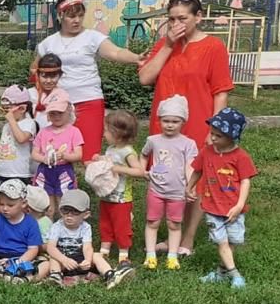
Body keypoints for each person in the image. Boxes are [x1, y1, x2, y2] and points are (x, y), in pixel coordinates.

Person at [139, 0, 235, 256]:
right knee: (164, 175)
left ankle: (187, 239)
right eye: (171, 19)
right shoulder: (164, 44)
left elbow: (221, 92)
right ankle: (166, 233)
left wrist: (215, 129)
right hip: (165, 124)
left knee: (193, 180)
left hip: (197, 122)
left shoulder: (213, 46)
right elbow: (145, 78)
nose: (176, 23)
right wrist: (169, 45)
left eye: (182, 18)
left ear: (198, 17)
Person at [34, 0, 142, 156]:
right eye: (71, 16)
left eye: (80, 15)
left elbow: (116, 53)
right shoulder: (48, 43)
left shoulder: (93, 37)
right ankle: (61, 182)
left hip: (89, 100)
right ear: (60, 15)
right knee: (55, 150)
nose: (76, 20)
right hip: (59, 103)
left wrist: (136, 58)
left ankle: (94, 179)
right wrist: (44, 91)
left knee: (90, 154)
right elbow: (35, 69)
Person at [193, 108, 255, 289]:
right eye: (212, 133)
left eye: (218, 136)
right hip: (212, 206)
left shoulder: (241, 157)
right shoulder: (207, 152)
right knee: (222, 242)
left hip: (233, 208)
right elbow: (198, 170)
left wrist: (239, 205)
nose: (212, 138)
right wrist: (189, 187)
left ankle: (221, 273)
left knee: (232, 241)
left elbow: (245, 181)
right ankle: (235, 275)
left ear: (231, 136)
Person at [141, 95, 199, 270]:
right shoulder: (153, 140)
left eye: (175, 121)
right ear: (159, 120)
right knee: (153, 222)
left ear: (183, 122)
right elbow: (144, 154)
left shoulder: (188, 143)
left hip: (177, 192)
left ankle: (172, 256)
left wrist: (190, 187)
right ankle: (150, 255)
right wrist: (142, 169)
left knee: (174, 223)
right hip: (156, 190)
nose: (170, 125)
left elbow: (190, 167)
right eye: (166, 120)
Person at [38, 189, 127, 288]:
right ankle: (56, 277)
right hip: (63, 262)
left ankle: (109, 275)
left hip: (81, 261)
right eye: (65, 210)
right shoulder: (57, 226)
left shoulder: (85, 227)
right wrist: (64, 260)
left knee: (97, 255)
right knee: (54, 259)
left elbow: (87, 247)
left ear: (85, 214)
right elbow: (51, 248)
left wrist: (88, 261)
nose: (69, 214)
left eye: (75, 211)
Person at [95, 110, 146, 269]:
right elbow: (109, 164)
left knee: (121, 225)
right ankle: (105, 248)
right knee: (105, 222)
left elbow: (139, 171)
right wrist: (100, 160)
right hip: (107, 194)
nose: (103, 133)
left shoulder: (128, 152)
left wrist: (120, 169)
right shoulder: (111, 148)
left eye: (106, 130)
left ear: (117, 133)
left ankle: (123, 252)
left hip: (122, 198)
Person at [30, 88, 83, 217]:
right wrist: (44, 159)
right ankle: (47, 231)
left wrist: (65, 156)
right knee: (46, 206)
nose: (57, 116)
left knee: (64, 203)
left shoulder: (74, 131)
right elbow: (34, 153)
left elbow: (78, 154)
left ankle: (64, 231)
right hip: (45, 171)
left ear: (68, 111)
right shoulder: (44, 132)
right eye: (53, 113)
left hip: (64, 171)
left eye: (60, 113)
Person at [0, 85, 37, 188]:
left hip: (20, 174)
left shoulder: (29, 124)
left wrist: (12, 120)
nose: (5, 114)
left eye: (7, 111)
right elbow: (9, 148)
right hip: (3, 172)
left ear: (22, 109)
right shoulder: (7, 126)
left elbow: (21, 139)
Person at [28, 53, 74, 130]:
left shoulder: (63, 96)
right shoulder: (29, 94)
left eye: (53, 76)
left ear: (60, 75)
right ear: (38, 75)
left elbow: (70, 122)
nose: (48, 81)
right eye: (44, 76)